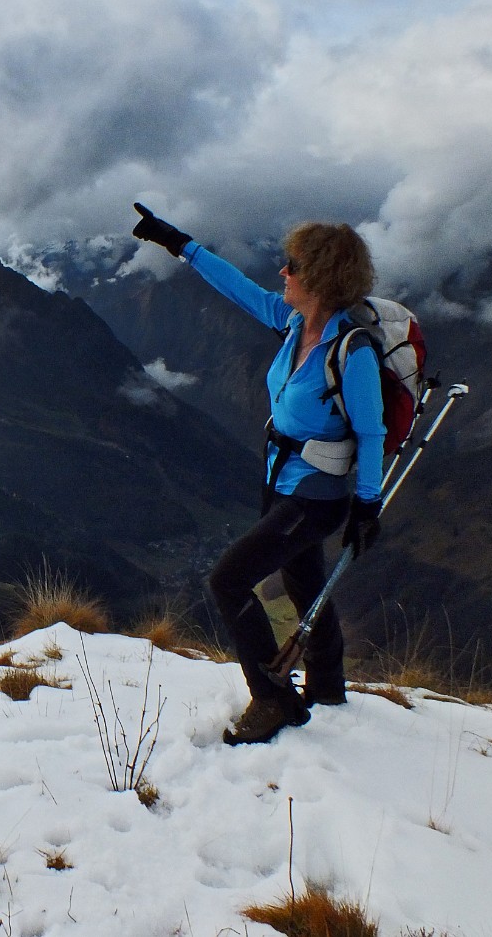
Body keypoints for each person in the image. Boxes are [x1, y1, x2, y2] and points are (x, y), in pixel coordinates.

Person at [131, 203, 385, 745]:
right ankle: (328, 685)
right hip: (281, 482)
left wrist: (367, 505)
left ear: (317, 277)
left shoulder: (351, 351)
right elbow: (236, 286)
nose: (282, 273)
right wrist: (180, 243)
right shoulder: (294, 325)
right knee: (302, 579)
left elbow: (371, 433)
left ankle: (273, 699)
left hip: (315, 498)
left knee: (227, 579)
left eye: (291, 265)